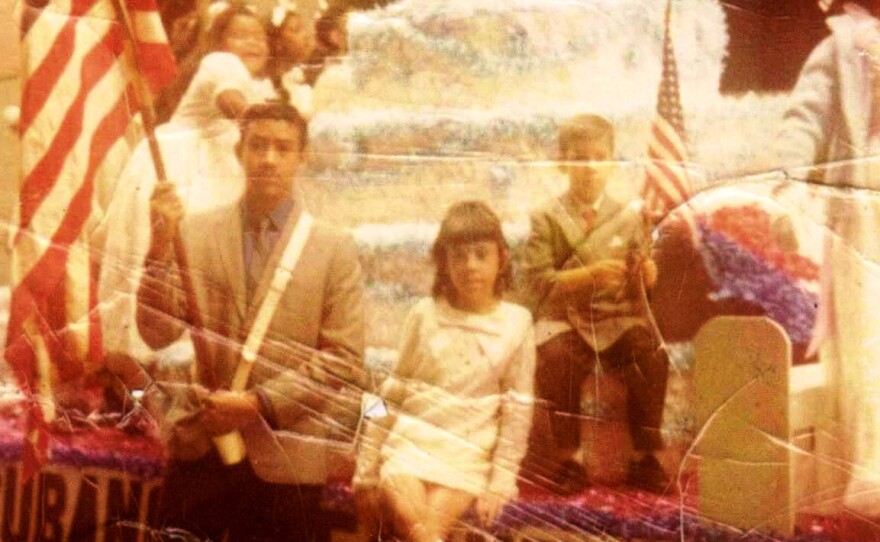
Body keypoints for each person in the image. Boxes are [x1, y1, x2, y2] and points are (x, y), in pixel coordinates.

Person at [136, 101, 365, 541]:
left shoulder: (333, 249)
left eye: (283, 148)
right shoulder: (195, 232)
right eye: (258, 145)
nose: (269, 159)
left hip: (286, 461)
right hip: (202, 449)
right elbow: (156, 332)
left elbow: (343, 361)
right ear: (239, 151)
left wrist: (258, 403)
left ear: (301, 157)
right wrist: (159, 247)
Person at [353, 201, 535, 542]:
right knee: (411, 517)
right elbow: (390, 392)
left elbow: (518, 410)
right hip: (408, 450)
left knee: (425, 530)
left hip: (467, 456)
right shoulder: (423, 315)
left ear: (502, 259)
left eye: (481, 255)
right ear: (444, 262)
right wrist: (365, 468)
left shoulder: (517, 323)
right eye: (459, 256)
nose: (470, 266)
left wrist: (501, 482)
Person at [522, 114, 669, 494]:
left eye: (599, 157)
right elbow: (537, 284)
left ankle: (644, 457)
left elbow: (637, 292)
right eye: (579, 158)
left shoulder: (628, 216)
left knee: (649, 353)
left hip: (614, 318)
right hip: (565, 319)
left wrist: (644, 277)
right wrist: (588, 276)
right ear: (562, 163)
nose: (590, 167)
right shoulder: (546, 218)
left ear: (612, 162)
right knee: (557, 358)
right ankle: (569, 460)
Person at [776, 0, 880, 516]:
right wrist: (789, 178)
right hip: (863, 206)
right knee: (868, 338)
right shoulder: (841, 45)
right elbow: (805, 118)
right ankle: (872, 464)